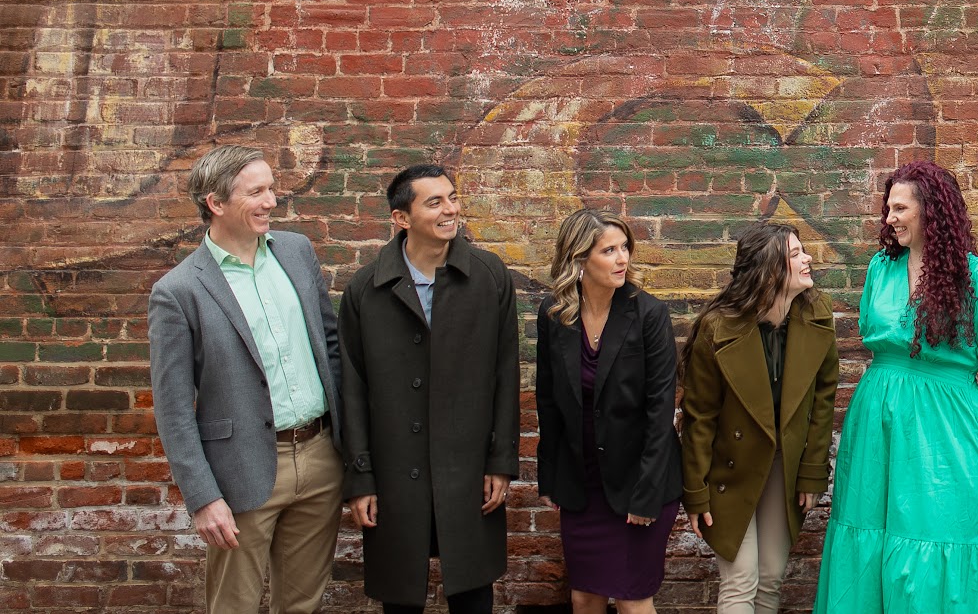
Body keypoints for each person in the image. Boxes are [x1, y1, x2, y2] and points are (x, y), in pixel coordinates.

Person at [812, 160, 978, 614]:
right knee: (868, 527)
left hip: (947, 429)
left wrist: (970, 430)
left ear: (932, 210)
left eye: (900, 208)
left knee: (939, 532)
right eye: (888, 208)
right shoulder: (881, 268)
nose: (889, 218)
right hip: (877, 422)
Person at [147, 144, 344, 614]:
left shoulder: (296, 252)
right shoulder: (178, 291)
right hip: (241, 471)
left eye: (271, 189)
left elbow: (331, 347)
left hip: (320, 458)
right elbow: (173, 408)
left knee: (303, 604)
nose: (271, 201)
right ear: (216, 203)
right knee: (233, 605)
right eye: (256, 192)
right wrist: (203, 498)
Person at [340, 164, 520, 614]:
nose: (450, 210)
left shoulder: (489, 276)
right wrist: (360, 478)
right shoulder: (366, 289)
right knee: (400, 595)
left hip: (469, 467)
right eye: (435, 202)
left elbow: (505, 373)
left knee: (473, 593)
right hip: (395, 472)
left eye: (453, 198)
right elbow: (352, 389)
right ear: (402, 218)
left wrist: (500, 462)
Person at [680, 221, 840, 614]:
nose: (808, 259)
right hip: (729, 468)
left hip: (784, 466)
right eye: (796, 254)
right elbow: (699, 417)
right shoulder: (718, 328)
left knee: (769, 578)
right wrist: (695, 492)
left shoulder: (816, 315)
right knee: (741, 580)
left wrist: (812, 473)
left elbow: (823, 402)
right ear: (769, 272)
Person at [535, 208, 684, 613]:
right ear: (579, 258)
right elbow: (548, 400)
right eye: (609, 250)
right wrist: (550, 476)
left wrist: (646, 495)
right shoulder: (555, 314)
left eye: (624, 248)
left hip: (639, 481)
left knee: (633, 601)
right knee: (584, 597)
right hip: (583, 483)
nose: (622, 259)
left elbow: (660, 410)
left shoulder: (648, 313)